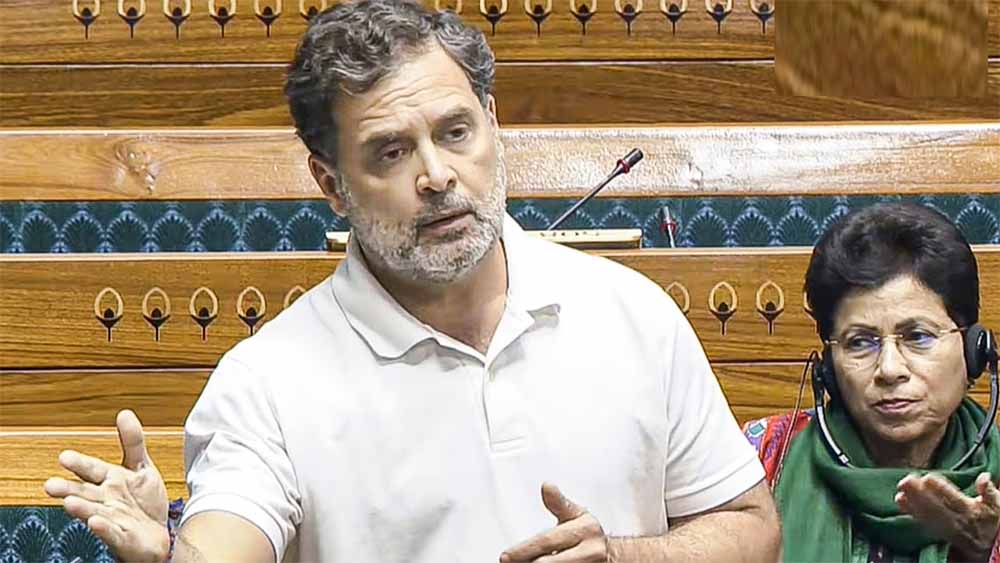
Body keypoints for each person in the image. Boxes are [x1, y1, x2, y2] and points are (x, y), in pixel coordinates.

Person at [42, 1, 780, 561]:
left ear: (493, 123)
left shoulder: (632, 313)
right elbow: (227, 542)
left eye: (456, 132)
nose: (436, 175)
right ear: (331, 184)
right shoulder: (265, 382)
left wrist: (620, 556)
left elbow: (751, 528)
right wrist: (171, 556)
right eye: (390, 152)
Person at [742, 202, 1000, 562]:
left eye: (918, 336)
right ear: (828, 367)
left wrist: (983, 551)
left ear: (974, 351)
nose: (889, 369)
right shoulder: (759, 458)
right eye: (860, 342)